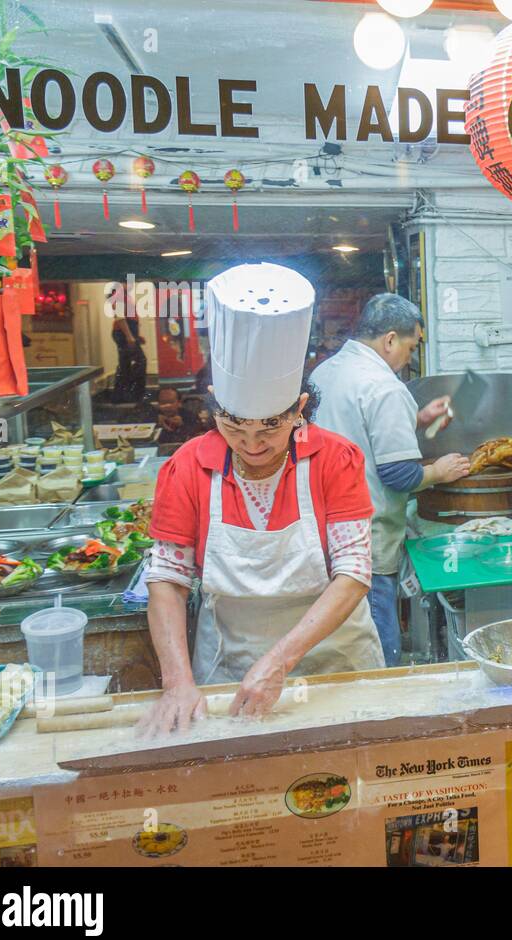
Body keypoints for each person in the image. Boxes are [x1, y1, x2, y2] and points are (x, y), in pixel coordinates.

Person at [140, 263, 384, 735]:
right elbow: (168, 577)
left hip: (336, 663)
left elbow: (354, 571)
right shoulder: (187, 466)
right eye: (234, 426)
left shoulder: (337, 459)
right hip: (231, 670)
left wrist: (279, 661)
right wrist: (176, 682)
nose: (252, 444)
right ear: (214, 405)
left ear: (298, 409)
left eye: (271, 426)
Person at [310, 294, 469, 665]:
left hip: (320, 533)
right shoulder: (385, 387)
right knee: (377, 643)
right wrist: (439, 472)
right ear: (390, 340)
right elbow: (398, 475)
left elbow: (356, 433)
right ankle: (384, 700)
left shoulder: (326, 373)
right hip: (368, 543)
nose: (409, 358)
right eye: (410, 347)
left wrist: (415, 418)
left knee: (337, 641)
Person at [111, 307, 147, 403]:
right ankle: (134, 394)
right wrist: (129, 336)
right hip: (123, 333)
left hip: (125, 333)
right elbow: (119, 316)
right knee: (140, 362)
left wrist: (136, 336)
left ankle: (122, 396)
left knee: (125, 364)